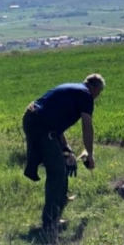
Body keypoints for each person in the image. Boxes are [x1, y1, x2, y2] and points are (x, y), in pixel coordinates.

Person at [22, 73, 105, 235]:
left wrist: (67, 149)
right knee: (57, 173)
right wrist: (90, 153)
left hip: (35, 119)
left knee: (65, 159)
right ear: (95, 89)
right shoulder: (86, 95)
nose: (97, 97)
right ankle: (49, 223)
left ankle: (60, 201)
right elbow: (87, 126)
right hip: (40, 126)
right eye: (99, 94)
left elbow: (56, 123)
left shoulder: (74, 89)